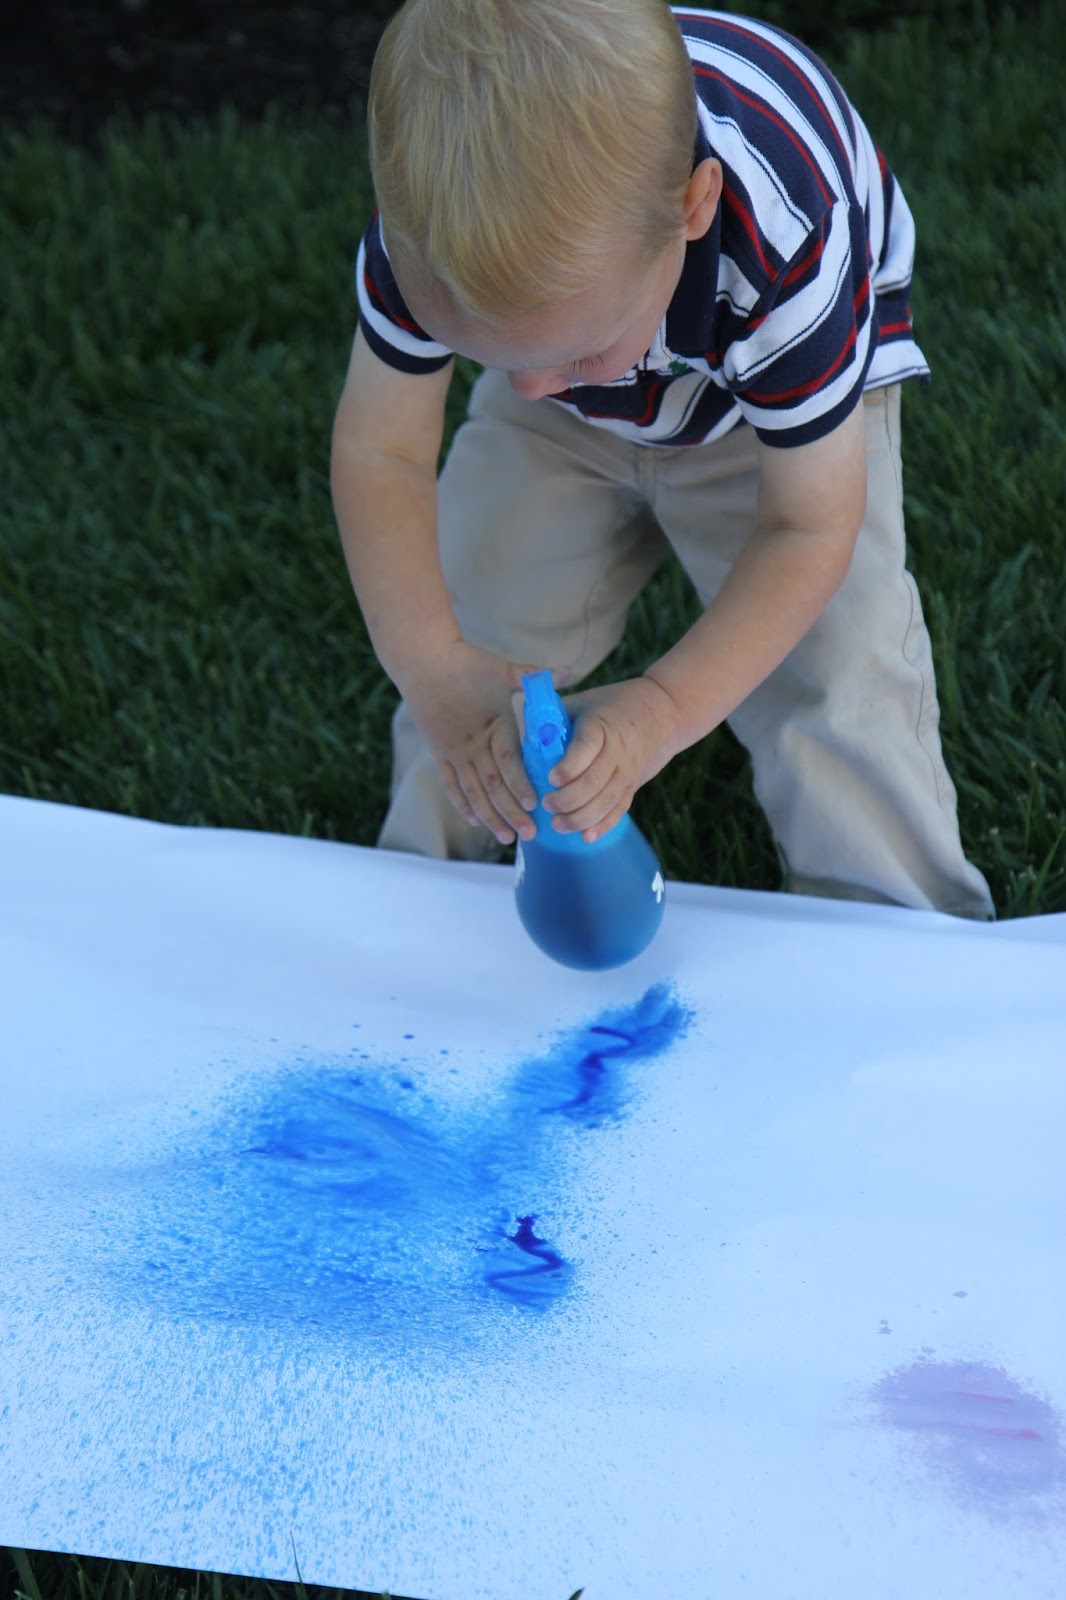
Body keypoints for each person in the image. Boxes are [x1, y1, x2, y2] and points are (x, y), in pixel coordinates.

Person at [330, 0, 993, 918]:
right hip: (584, 397)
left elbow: (808, 525)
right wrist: (431, 660)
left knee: (840, 675)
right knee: (476, 626)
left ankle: (891, 944)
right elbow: (381, 447)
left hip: (774, 425)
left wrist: (662, 711)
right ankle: (428, 906)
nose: (529, 390)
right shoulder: (438, 232)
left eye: (572, 355)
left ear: (693, 208)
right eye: (492, 357)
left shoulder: (786, 232)